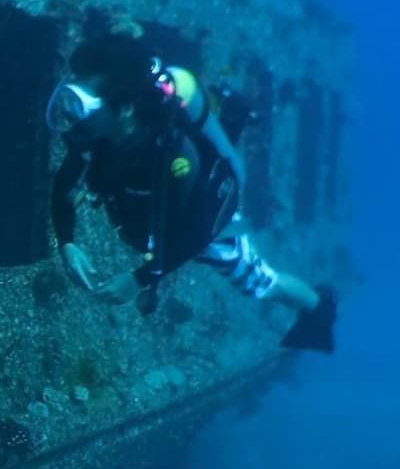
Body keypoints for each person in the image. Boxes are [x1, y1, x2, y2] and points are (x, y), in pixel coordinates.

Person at [47, 34, 337, 350]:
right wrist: (67, 242)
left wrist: (138, 279)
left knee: (260, 283)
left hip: (207, 212)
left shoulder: (172, 154)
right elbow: (65, 184)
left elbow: (199, 233)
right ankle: (233, 115)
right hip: (163, 215)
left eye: (81, 103)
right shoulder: (95, 132)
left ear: (125, 107)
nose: (71, 113)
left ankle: (320, 307)